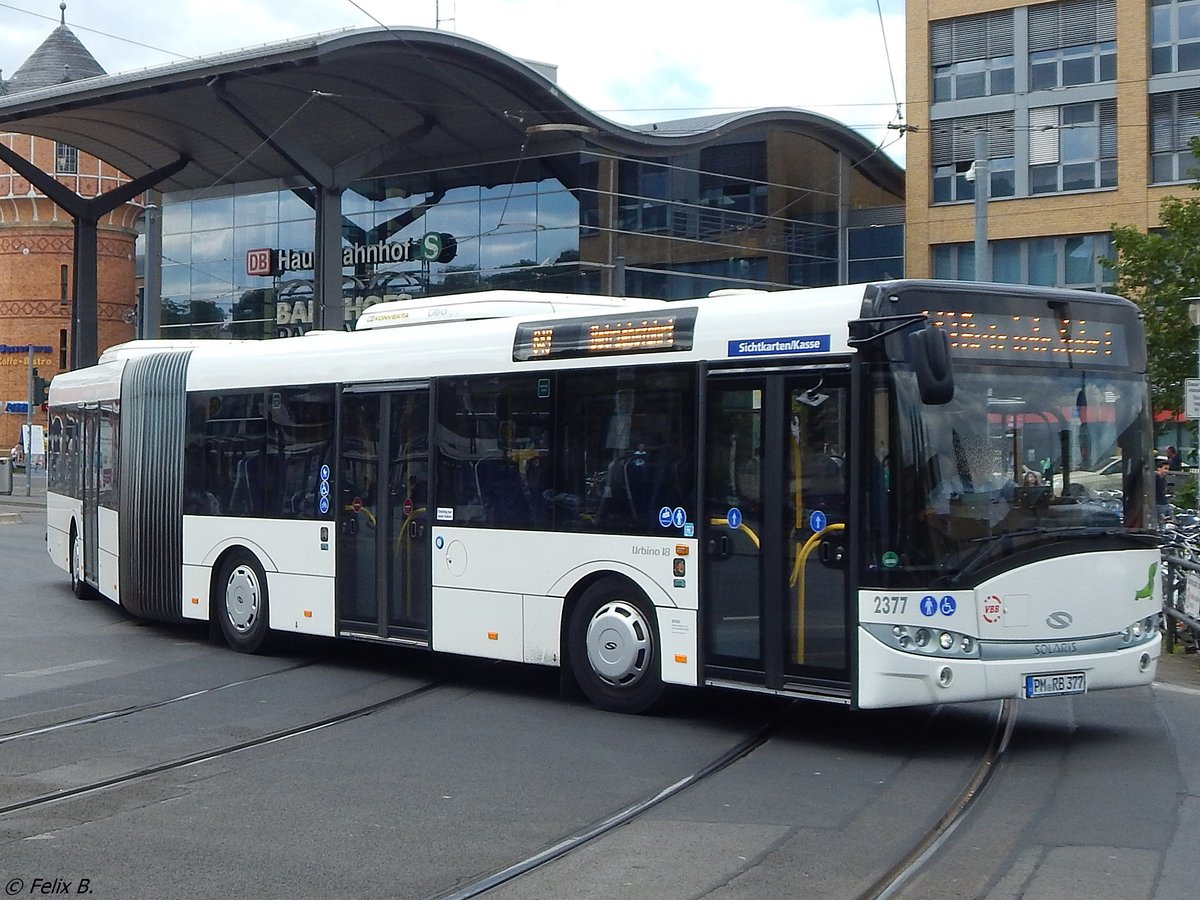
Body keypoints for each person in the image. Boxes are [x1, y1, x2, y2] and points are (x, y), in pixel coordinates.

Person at [1155, 457, 1171, 524]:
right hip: (1157, 503)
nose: (1167, 471)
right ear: (1159, 468)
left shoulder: (1163, 478)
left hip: (1162, 502)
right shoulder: (1155, 477)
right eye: (1165, 468)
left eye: (1168, 469)